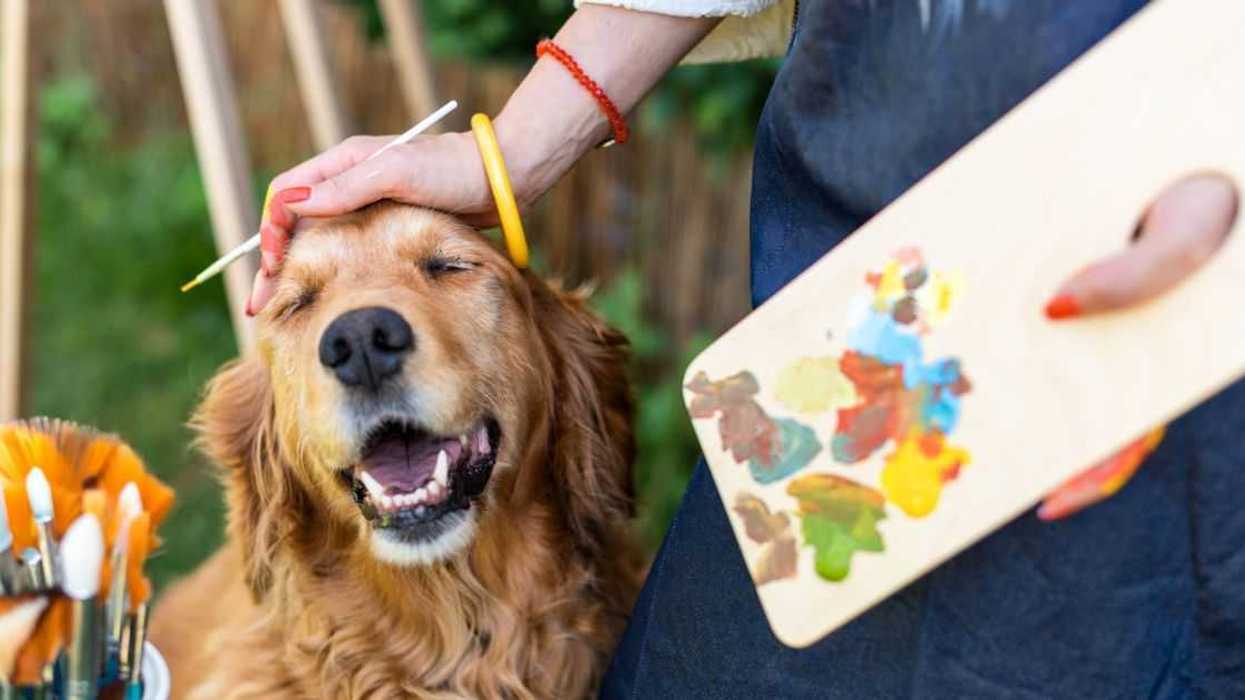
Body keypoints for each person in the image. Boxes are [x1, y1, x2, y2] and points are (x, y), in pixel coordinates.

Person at [246, 1, 1243, 696]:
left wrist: (1221, 136)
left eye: (442, 273)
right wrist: (507, 153)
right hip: (854, 327)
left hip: (1181, 313)